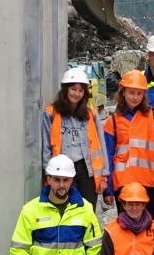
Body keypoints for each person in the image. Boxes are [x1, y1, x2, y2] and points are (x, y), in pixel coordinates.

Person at [40, 66, 108, 204]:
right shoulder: (51, 113)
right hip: (62, 171)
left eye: (81, 90)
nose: (77, 94)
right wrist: (49, 174)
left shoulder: (91, 114)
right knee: (66, 210)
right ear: (65, 89)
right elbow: (46, 148)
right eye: (73, 89)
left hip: (86, 170)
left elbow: (101, 146)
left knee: (87, 210)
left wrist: (104, 177)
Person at [104, 70, 154, 215]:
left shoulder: (152, 118)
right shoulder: (113, 121)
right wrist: (108, 189)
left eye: (139, 93)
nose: (135, 97)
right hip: (124, 184)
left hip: (151, 183)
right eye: (131, 92)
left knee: (152, 229)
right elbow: (107, 158)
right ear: (123, 92)